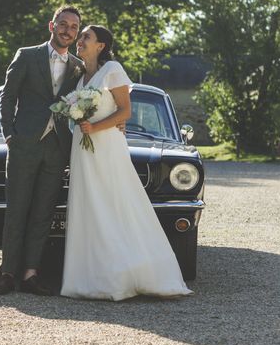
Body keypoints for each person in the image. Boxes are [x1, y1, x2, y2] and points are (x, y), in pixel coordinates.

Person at [60, 25, 193, 301]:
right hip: (83, 148)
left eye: (86, 36)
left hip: (106, 145)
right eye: (81, 36)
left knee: (113, 202)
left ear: (101, 46)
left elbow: (126, 110)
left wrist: (94, 129)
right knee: (88, 205)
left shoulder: (113, 70)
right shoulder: (80, 75)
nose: (80, 40)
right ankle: (88, 279)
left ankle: (122, 276)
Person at [0, 6, 85, 295]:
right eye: (63, 24)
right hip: (24, 146)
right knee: (17, 210)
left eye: (73, 27)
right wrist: (10, 135)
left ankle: (31, 274)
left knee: (43, 213)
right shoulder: (27, 55)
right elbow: (7, 97)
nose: (67, 30)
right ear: (51, 25)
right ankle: (8, 273)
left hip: (57, 149)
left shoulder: (78, 67)